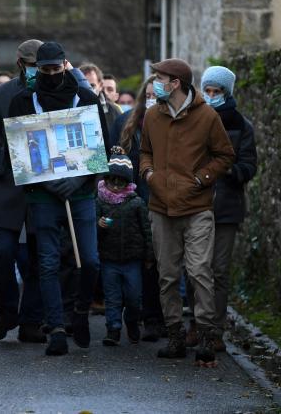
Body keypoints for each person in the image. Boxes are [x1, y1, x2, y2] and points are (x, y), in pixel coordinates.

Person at [8, 42, 109, 356]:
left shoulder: (86, 98)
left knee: (89, 260)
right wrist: (50, 185)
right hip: (43, 195)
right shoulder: (23, 101)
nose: (51, 74)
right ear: (37, 69)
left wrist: (78, 179)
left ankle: (78, 311)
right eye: (45, 69)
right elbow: (18, 154)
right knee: (49, 262)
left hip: (81, 193)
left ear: (65, 65)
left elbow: (101, 145)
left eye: (56, 68)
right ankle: (56, 328)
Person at [139, 58, 235, 366]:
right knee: (167, 276)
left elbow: (225, 155)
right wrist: (148, 174)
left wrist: (200, 179)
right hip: (161, 208)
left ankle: (206, 336)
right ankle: (176, 337)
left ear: (175, 83)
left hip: (196, 208)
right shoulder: (152, 115)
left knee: (199, 272)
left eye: (160, 78)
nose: (155, 83)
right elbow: (144, 152)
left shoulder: (207, 116)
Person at [0, 39, 45, 345]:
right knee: (2, 251)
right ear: (19, 64)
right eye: (30, 65)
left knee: (38, 258)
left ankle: (31, 320)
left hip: (44, 187)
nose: (35, 71)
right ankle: (6, 312)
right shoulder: (2, 94)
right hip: (6, 186)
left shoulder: (58, 90)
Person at [184, 66, 257, 352]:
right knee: (194, 268)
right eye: (208, 90)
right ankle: (196, 324)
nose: (212, 96)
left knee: (219, 270)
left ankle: (215, 329)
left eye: (218, 92)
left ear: (227, 93)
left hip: (226, 207)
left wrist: (224, 170)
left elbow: (249, 165)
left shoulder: (241, 125)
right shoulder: (193, 119)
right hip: (195, 203)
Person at [109, 75, 165, 342]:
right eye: (150, 95)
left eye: (159, 95)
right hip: (132, 204)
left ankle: (155, 318)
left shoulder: (174, 124)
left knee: (156, 263)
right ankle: (132, 316)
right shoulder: (125, 123)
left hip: (161, 201)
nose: (154, 100)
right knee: (134, 263)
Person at [96, 147, 152, 346]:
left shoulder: (136, 203)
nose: (116, 186)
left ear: (128, 183)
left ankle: (132, 320)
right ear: (106, 180)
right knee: (112, 297)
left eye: (121, 182)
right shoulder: (100, 202)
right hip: (108, 259)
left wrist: (148, 256)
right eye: (112, 181)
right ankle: (113, 329)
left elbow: (146, 230)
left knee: (134, 296)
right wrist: (98, 224)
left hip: (132, 260)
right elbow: (90, 227)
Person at [80, 62, 121, 134]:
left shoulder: (113, 110)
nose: (86, 90)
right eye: (83, 86)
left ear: (101, 85)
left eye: (92, 86)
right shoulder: (68, 108)